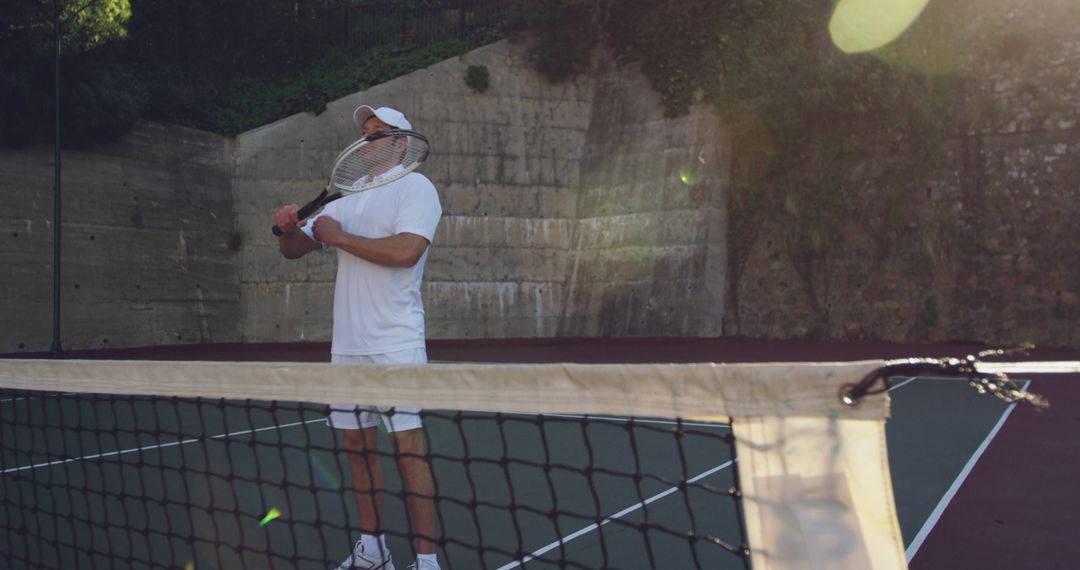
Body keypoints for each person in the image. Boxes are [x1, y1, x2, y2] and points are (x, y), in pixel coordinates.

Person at [273, 105, 442, 570]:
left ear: (401, 142)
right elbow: (293, 250)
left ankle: (427, 562)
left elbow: (407, 251)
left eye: (378, 132)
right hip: (347, 348)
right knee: (355, 449)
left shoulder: (416, 188)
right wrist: (287, 229)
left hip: (396, 343)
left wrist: (341, 238)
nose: (368, 140)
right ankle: (373, 550)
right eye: (364, 133)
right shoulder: (344, 198)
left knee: (408, 450)